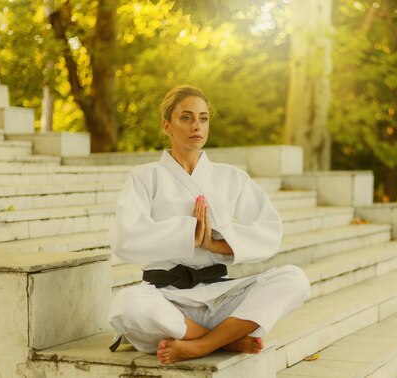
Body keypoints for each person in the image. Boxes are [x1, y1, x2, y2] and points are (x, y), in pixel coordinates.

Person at [107, 85, 310, 364]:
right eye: (186, 117)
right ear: (167, 125)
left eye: (203, 118)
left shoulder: (231, 177)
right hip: (166, 298)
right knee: (127, 306)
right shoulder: (144, 177)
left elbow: (270, 230)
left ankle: (199, 345)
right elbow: (124, 239)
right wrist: (187, 234)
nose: (196, 126)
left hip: (220, 295)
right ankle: (226, 339)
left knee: (294, 279)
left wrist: (213, 242)